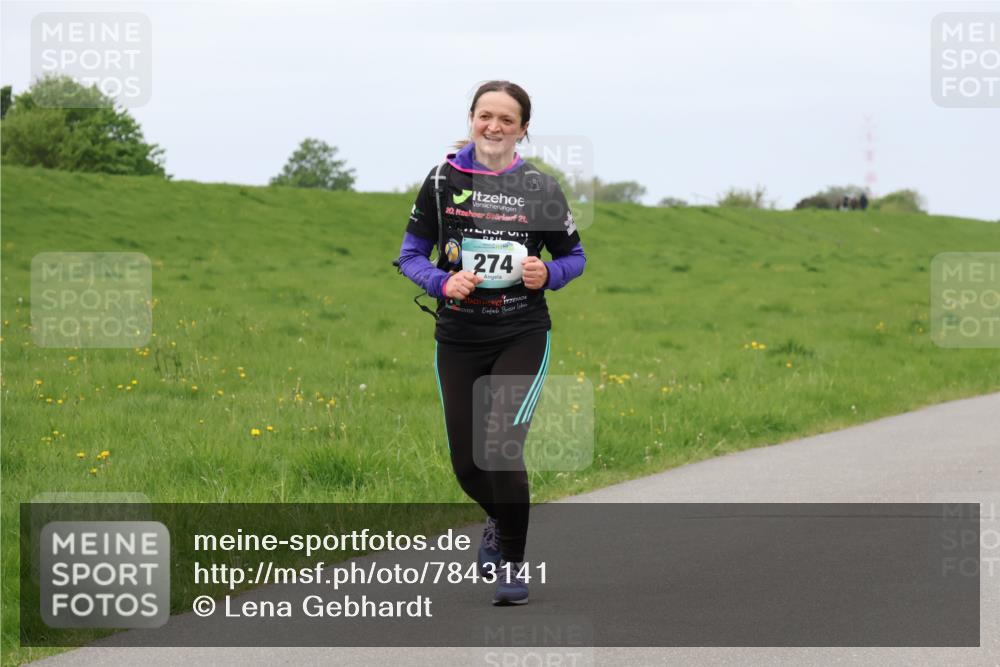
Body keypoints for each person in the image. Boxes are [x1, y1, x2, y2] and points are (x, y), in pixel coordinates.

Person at [396, 81, 586, 605]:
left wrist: (547, 273)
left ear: (523, 129)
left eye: (506, 119)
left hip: (521, 332)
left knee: (502, 448)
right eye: (486, 115)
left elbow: (575, 257)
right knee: (467, 465)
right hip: (458, 336)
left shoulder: (540, 189)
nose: (494, 126)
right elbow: (410, 254)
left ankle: (513, 567)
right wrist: (442, 282)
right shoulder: (441, 181)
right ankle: (501, 521)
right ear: (471, 118)